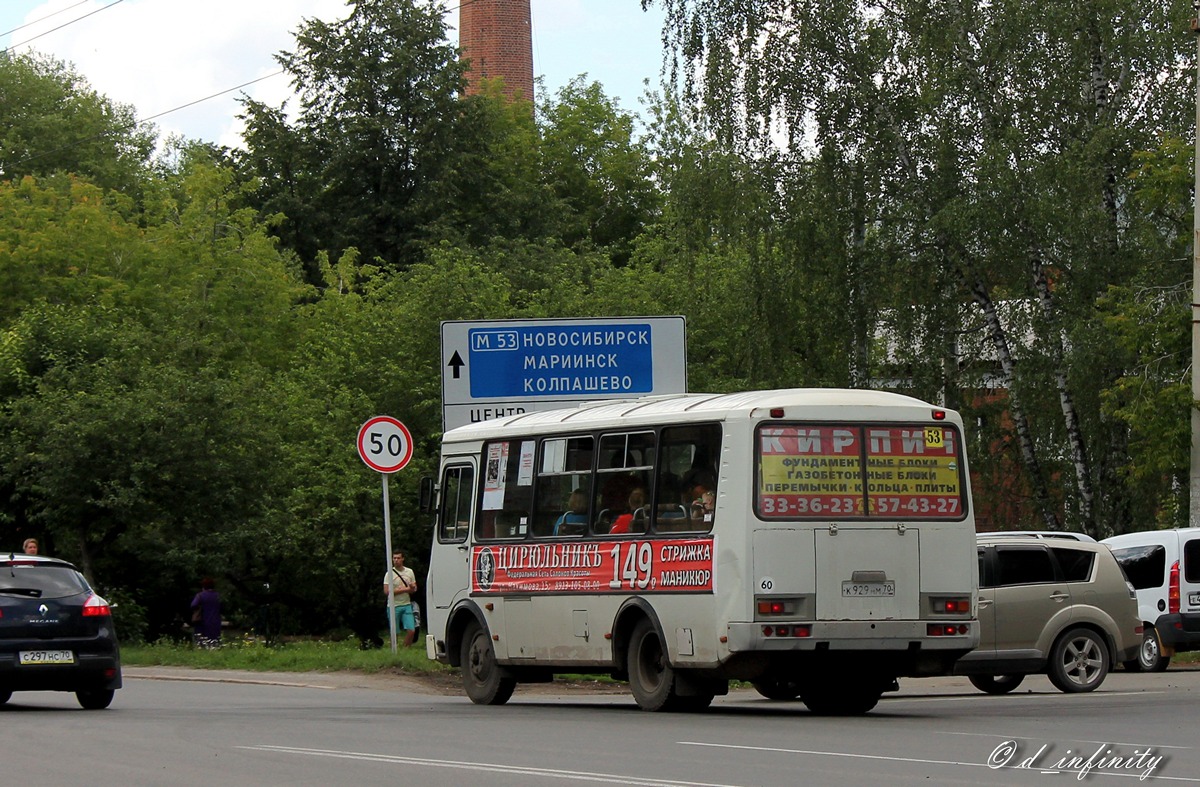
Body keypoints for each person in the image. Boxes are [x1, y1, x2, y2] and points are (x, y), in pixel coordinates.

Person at [384, 550, 419, 647]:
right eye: (394, 558)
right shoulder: (389, 573)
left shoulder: (409, 572)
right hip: (393, 605)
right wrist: (405, 589)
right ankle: (394, 651)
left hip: (406, 604)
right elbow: (387, 591)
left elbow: (414, 589)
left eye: (398, 558)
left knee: (411, 630)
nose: (396, 560)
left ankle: (405, 649)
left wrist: (411, 588)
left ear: (402, 559)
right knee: (394, 632)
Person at [190, 577, 222, 648]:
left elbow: (193, 605)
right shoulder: (218, 595)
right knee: (215, 641)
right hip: (215, 621)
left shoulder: (200, 595)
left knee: (201, 642)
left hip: (202, 621)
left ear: (203, 586)